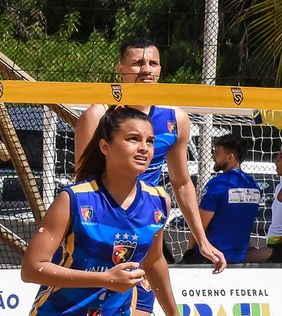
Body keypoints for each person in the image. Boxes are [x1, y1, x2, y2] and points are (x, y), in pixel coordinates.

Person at [74, 38, 225, 315]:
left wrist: (202, 240)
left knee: (144, 303)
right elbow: (82, 184)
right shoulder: (98, 114)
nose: (146, 69)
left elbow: (181, 183)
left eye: (152, 63)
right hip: (100, 234)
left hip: (144, 228)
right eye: (137, 63)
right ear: (120, 68)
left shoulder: (175, 117)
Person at [24, 106, 179, 316]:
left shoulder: (159, 201)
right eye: (133, 139)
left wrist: (173, 313)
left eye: (150, 141)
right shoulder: (74, 198)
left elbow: (154, 261)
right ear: (105, 146)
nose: (144, 148)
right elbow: (32, 269)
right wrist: (106, 279)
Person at [183, 133, 261, 266]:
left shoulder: (218, 184)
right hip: (239, 258)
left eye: (217, 153)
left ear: (230, 157)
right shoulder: (253, 185)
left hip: (211, 258)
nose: (213, 156)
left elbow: (200, 225)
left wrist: (189, 253)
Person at [246, 143, 282, 263]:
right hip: (272, 242)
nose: (276, 160)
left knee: (242, 258)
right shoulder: (280, 186)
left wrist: (279, 245)